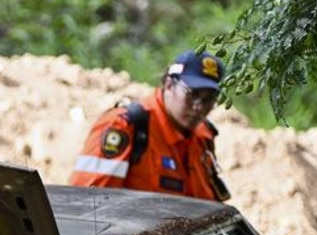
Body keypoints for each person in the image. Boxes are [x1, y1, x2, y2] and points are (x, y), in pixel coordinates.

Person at [70, 50, 231, 201]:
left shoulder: (203, 138)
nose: (199, 107)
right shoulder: (125, 126)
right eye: (192, 94)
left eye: (208, 99)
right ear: (169, 85)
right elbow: (87, 206)